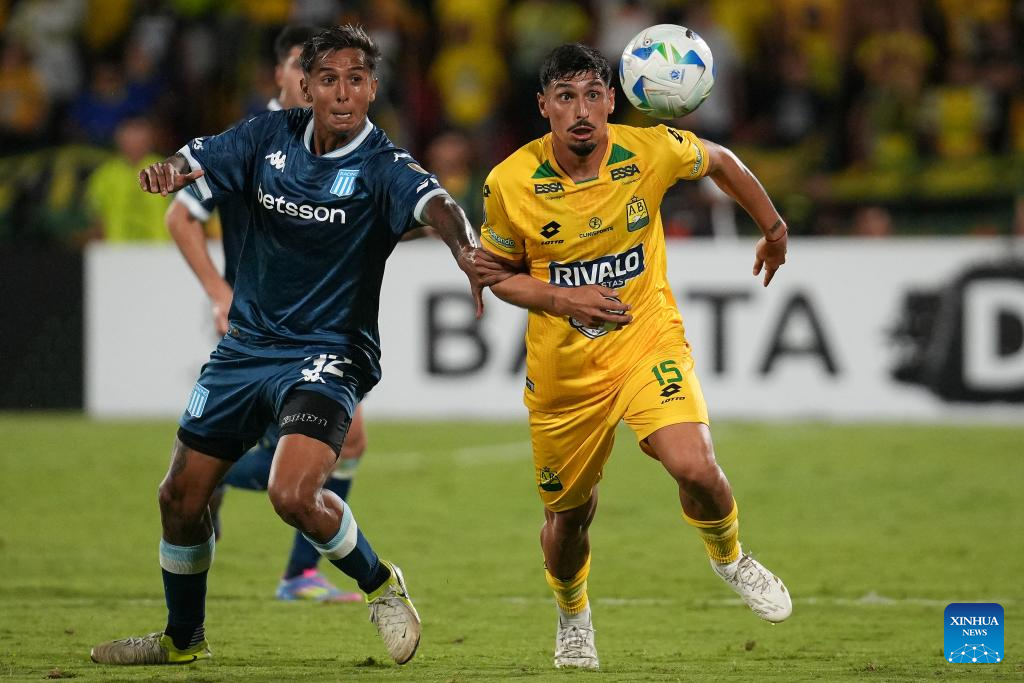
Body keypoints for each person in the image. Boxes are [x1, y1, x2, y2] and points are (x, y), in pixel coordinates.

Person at [90, 24, 506, 667]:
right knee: (178, 498)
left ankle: (381, 585)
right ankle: (182, 640)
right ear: (305, 87)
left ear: (372, 88)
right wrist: (169, 170)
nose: (343, 93)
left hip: (329, 351)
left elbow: (439, 206)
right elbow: (197, 158)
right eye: (329, 80)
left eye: (356, 80)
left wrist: (467, 252)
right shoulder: (266, 136)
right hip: (247, 346)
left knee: (291, 494)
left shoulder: (384, 165)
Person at [480, 44, 792, 670]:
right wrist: (564, 298)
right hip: (565, 374)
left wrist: (774, 228)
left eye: (593, 94)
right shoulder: (509, 182)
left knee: (696, 466)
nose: (581, 111)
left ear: (612, 101)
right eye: (565, 97)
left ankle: (731, 558)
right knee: (569, 520)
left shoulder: (648, 150)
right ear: (543, 106)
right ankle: (573, 618)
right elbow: (497, 274)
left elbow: (720, 160)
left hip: (645, 340)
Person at [166, 25, 364, 604]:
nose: (318, 80)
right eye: (305, 66)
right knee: (336, 443)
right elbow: (181, 215)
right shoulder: (254, 140)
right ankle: (218, 485)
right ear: (280, 74)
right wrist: (217, 292)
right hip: (260, 328)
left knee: (346, 442)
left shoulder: (341, 140)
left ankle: (294, 568)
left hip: (320, 327)